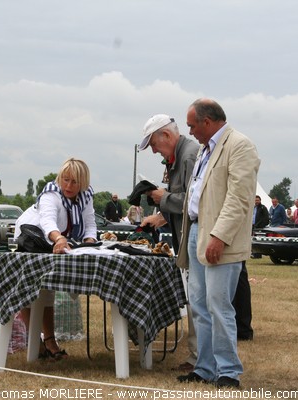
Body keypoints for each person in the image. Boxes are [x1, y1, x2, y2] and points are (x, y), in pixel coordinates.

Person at [176, 98, 259, 388]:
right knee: (198, 304)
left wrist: (219, 236)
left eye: (191, 125)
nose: (190, 132)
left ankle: (228, 371)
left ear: (207, 122)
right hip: (197, 233)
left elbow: (239, 198)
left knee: (219, 305)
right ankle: (205, 367)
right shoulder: (204, 150)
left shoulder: (240, 146)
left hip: (219, 239)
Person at [14, 157, 97, 361]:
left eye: (74, 182)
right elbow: (48, 221)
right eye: (65, 180)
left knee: (47, 291)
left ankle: (49, 341)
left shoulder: (86, 196)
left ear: (83, 183)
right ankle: (37, 343)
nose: (68, 186)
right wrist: (59, 237)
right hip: (33, 238)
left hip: (57, 244)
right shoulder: (51, 193)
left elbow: (90, 223)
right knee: (28, 289)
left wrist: (89, 241)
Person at [137, 113, 200, 372]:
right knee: (196, 300)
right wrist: (161, 217)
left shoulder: (189, 156)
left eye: (153, 143)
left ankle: (201, 360)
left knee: (199, 301)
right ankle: (199, 357)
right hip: (186, 237)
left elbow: (195, 201)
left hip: (195, 238)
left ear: (166, 135)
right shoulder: (181, 156)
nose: (153, 150)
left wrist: (163, 197)